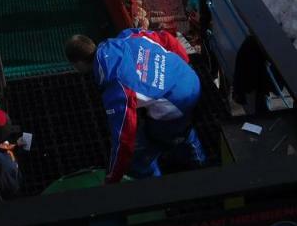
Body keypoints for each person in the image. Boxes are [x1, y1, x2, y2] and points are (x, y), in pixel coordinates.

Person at [65, 31, 206, 182]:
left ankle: (159, 190)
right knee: (181, 131)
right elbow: (166, 38)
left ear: (78, 63)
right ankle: (197, 159)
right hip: (188, 75)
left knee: (141, 153)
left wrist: (113, 177)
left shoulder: (116, 87)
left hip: (177, 102)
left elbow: (124, 138)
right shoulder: (127, 36)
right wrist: (182, 66)